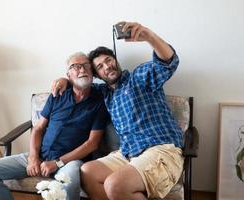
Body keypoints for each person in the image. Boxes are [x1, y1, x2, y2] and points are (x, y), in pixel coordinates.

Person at [52, 22, 184, 199]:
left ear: (116, 61)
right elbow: (81, 83)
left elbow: (168, 63)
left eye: (109, 60)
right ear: (98, 75)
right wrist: (65, 80)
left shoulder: (139, 78)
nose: (107, 66)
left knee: (114, 184)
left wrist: (149, 36)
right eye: (100, 66)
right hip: (128, 153)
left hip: (161, 150)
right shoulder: (103, 93)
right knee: (87, 171)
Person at [0, 52, 109, 200]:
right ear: (68, 75)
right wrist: (33, 157)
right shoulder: (57, 95)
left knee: (69, 183)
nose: (82, 70)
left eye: (86, 66)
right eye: (76, 67)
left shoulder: (99, 101)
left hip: (69, 162)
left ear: (92, 72)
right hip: (40, 155)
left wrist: (57, 163)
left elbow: (92, 144)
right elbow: (38, 128)